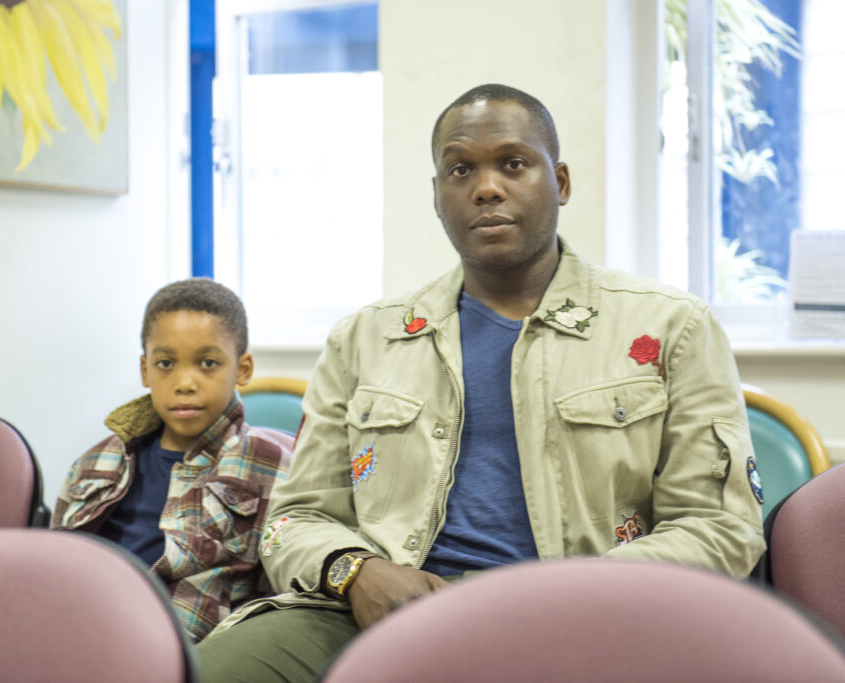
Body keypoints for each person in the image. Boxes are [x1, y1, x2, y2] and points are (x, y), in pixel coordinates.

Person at [196, 83, 765, 680]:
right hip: (385, 609)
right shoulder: (364, 339)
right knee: (219, 669)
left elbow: (720, 528)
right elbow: (295, 519)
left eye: (513, 164)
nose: (486, 187)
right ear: (438, 198)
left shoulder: (671, 327)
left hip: (588, 616)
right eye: (460, 169)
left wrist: (573, 592)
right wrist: (354, 570)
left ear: (561, 182)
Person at [52, 278, 293, 643]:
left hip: (190, 648)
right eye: (166, 363)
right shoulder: (95, 462)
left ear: (242, 369)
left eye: (207, 363)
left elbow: (288, 591)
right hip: (79, 631)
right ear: (145, 370)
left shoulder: (272, 463)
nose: (184, 382)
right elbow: (51, 561)